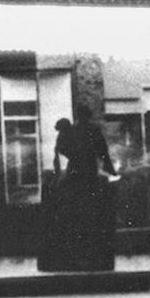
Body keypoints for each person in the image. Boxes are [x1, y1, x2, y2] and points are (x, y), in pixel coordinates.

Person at [38, 110, 118, 272]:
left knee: (70, 208)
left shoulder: (71, 131)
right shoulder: (94, 130)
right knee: (93, 208)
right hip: (89, 170)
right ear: (88, 117)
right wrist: (111, 170)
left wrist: (72, 157)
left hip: (75, 170)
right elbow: (103, 152)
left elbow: (61, 149)